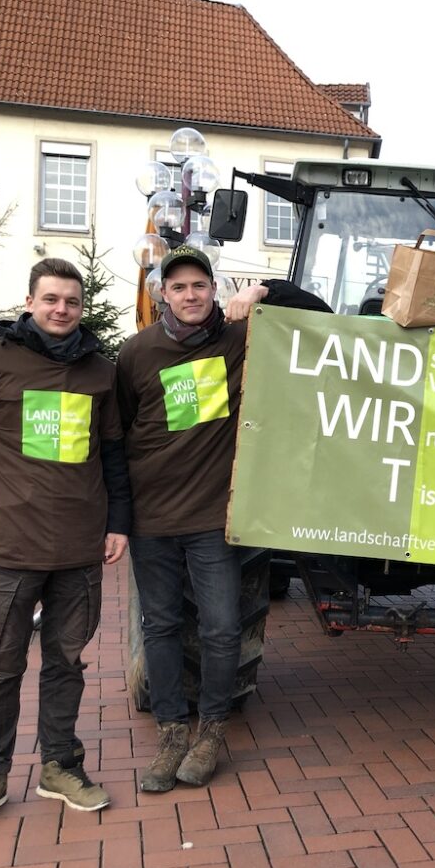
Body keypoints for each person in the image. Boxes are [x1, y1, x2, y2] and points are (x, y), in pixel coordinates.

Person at [0, 258, 132, 832]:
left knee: (66, 663)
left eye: (72, 301)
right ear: (31, 301)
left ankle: (60, 766)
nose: (62, 309)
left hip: (80, 549)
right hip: (8, 549)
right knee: (1, 665)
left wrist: (118, 522)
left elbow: (112, 452)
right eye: (51, 299)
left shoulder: (99, 371)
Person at [117, 245, 330, 793]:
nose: (190, 295)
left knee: (221, 627)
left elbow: (321, 315)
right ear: (162, 293)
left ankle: (211, 731)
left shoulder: (239, 338)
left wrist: (263, 291)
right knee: (160, 626)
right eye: (179, 286)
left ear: (214, 290)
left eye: (200, 285)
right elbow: (116, 435)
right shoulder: (136, 353)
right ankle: (171, 732)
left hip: (213, 517)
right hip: (152, 521)